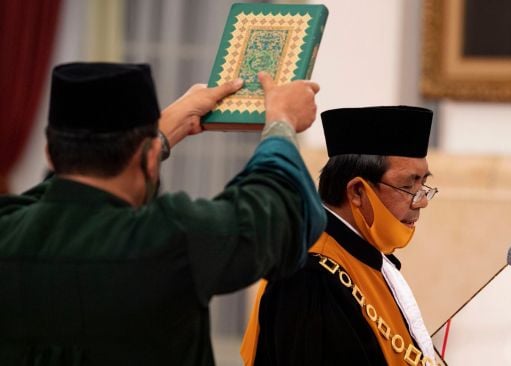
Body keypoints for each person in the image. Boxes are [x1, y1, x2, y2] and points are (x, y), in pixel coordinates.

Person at [0, 62, 326, 365]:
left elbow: (58, 196)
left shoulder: (7, 229)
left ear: (50, 156)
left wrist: (159, 138)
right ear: (151, 158)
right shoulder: (170, 238)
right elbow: (280, 207)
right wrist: (281, 122)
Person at [241, 106, 440, 365]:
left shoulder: (366, 256)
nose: (421, 202)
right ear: (358, 191)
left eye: (423, 184)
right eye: (406, 186)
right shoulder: (309, 276)